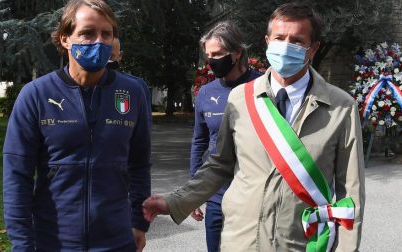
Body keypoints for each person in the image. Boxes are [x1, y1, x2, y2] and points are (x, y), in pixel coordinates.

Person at [143, 2, 365, 251]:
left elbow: (350, 197)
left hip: (301, 244)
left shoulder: (341, 108)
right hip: (242, 240)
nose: (286, 46)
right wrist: (176, 202)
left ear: (313, 48)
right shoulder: (241, 98)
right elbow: (219, 165)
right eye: (280, 38)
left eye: (297, 41)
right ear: (268, 41)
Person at [3, 0, 151, 251]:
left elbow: (140, 163)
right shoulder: (36, 94)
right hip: (54, 241)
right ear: (64, 39)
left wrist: (139, 222)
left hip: (116, 241)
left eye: (107, 34)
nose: (99, 41)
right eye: (87, 33)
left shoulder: (132, 92)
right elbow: (17, 175)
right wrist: (22, 244)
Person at [189, 20, 261, 252]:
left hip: (254, 193)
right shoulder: (206, 93)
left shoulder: (263, 86)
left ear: (237, 52)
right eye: (209, 55)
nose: (212, 61)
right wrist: (193, 192)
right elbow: (199, 142)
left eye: (218, 54)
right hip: (217, 193)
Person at [107, 38, 152, 126]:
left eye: (110, 57)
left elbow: (144, 127)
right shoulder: (81, 83)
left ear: (120, 56)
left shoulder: (137, 86)